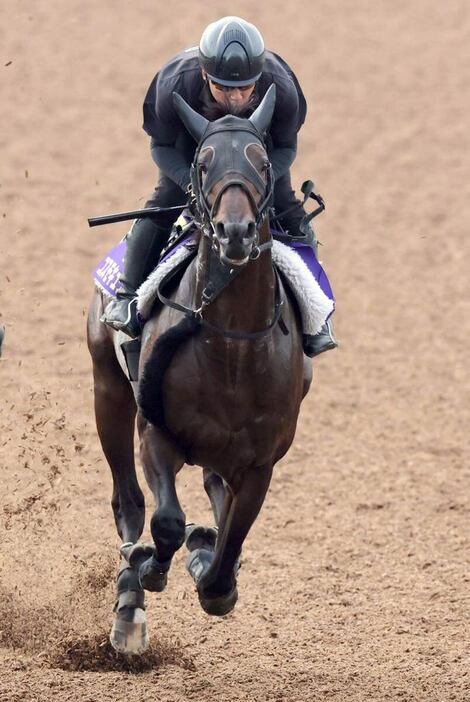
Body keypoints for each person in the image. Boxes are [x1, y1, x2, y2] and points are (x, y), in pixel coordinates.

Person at [102, 16, 337, 356]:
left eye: (245, 89)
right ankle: (126, 300)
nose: (235, 98)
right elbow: (161, 146)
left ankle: (317, 318)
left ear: (259, 78)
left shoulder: (282, 86)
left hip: (257, 153)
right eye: (223, 88)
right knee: (162, 203)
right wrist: (189, 182)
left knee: (289, 211)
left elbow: (285, 147)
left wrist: (264, 180)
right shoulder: (174, 84)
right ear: (203, 75)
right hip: (192, 150)